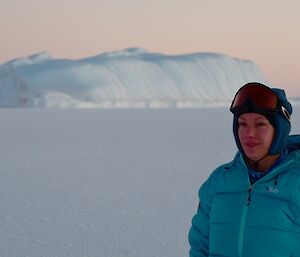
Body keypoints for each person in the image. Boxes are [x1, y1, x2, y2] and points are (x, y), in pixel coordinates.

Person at [188, 82, 300, 257]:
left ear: (279, 130)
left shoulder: (296, 183)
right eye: (242, 124)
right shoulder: (220, 181)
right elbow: (200, 245)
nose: (249, 133)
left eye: (260, 124)